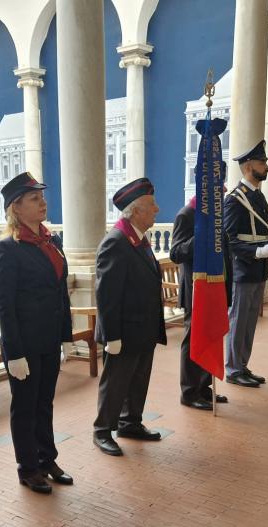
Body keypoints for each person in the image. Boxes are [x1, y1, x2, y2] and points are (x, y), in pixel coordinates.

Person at [0, 172, 74, 493]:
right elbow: (5, 305)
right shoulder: (8, 249)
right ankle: (28, 467)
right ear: (16, 207)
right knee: (25, 407)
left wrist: (65, 335)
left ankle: (46, 458)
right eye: (34, 199)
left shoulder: (51, 241)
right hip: (24, 344)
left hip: (49, 339)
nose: (43, 203)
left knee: (45, 403)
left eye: (42, 197)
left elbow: (60, 293)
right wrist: (13, 353)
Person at [93, 178, 166, 456]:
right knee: (116, 382)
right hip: (122, 331)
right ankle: (102, 430)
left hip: (143, 327)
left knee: (138, 379)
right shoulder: (116, 242)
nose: (157, 209)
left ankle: (130, 422)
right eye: (151, 205)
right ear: (135, 211)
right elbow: (107, 296)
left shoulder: (138, 237)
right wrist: (112, 336)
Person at [224, 140, 268, 386]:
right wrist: (257, 253)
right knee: (239, 320)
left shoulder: (258, 196)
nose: (266, 166)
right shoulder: (236, 199)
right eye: (261, 162)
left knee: (250, 321)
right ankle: (234, 368)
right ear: (247, 167)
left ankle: (243, 365)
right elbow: (230, 241)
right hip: (243, 269)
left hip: (258, 269)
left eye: (265, 162)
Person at [170, 193, 230, 408]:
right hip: (196, 288)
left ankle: (204, 388)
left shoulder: (215, 216)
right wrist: (199, 235)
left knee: (211, 335)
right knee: (193, 337)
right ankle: (189, 392)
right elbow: (176, 253)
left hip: (215, 285)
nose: (222, 193)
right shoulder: (187, 214)